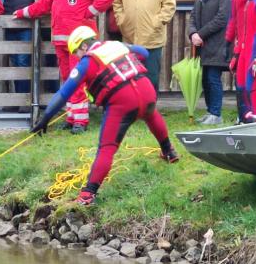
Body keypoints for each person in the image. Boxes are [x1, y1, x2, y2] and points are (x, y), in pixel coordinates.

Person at [31, 26, 179, 205]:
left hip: (122, 101)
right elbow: (144, 53)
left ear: (84, 46)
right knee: (150, 114)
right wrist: (125, 50)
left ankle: (88, 194)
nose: (77, 56)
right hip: (146, 90)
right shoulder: (115, 45)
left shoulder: (87, 62)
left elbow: (64, 93)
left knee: (107, 147)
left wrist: (45, 118)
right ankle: (169, 151)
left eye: (76, 52)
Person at [14, 0, 115, 133]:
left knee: (77, 80)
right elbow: (44, 4)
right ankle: (71, 117)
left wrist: (89, 12)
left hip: (80, 44)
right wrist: (23, 12)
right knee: (67, 80)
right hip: (61, 42)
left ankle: (81, 122)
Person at [112, 0, 176, 92]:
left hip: (152, 39)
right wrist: (122, 20)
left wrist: (156, 23)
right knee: (131, 75)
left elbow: (169, 6)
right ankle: (134, 108)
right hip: (130, 38)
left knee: (151, 77)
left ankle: (150, 109)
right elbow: (117, 3)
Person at [188, 0, 231, 125]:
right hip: (203, 44)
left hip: (218, 44)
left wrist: (201, 34)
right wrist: (192, 34)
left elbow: (222, 18)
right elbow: (192, 16)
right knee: (205, 79)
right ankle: (209, 111)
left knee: (213, 78)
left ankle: (216, 113)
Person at [1, 0, 35, 95]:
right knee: (13, 62)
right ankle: (15, 99)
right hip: (9, 29)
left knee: (23, 62)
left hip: (25, 28)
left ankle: (24, 100)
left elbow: (37, 4)